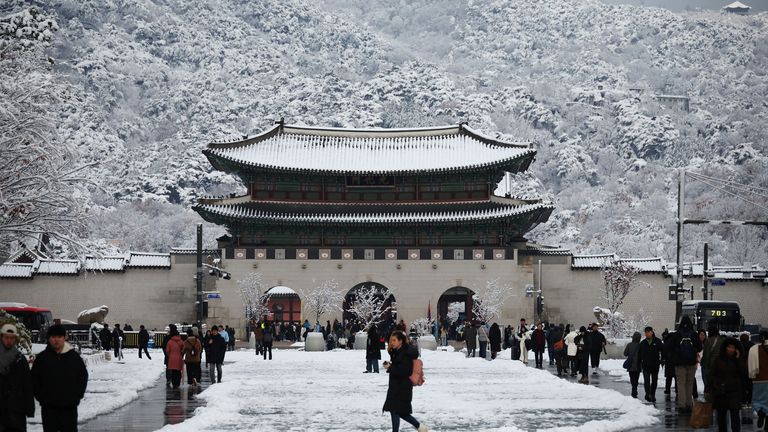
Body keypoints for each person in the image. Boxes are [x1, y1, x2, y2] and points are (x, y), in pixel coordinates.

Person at [31, 324, 88, 432]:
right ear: (49, 338)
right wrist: (41, 397)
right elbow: (34, 379)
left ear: (64, 338)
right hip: (49, 408)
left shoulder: (73, 357)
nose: (56, 340)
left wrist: (77, 395)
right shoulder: (42, 358)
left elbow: (82, 376)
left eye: (59, 336)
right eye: (53, 337)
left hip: (69, 407)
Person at [382, 330, 428, 432]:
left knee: (398, 411)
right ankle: (420, 427)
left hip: (402, 387)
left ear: (400, 341)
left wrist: (390, 367)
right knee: (397, 411)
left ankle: (419, 426)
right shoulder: (397, 352)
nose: (392, 342)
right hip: (397, 386)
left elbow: (404, 371)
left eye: (394, 340)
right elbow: (399, 366)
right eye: (391, 340)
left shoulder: (405, 354)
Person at [0, 324, 35, 432]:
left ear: (15, 339)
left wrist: (29, 408)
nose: (9, 340)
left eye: (11, 338)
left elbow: (27, 385)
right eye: (6, 337)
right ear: (1, 337)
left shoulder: (20, 359)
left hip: (16, 410)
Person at [710, 337, 746, 432]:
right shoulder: (719, 359)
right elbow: (712, 374)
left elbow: (744, 373)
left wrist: (738, 359)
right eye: (729, 347)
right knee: (721, 418)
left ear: (736, 349)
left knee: (735, 417)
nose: (731, 349)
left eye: (733, 347)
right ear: (725, 348)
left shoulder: (738, 360)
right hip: (721, 392)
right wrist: (713, 386)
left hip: (734, 392)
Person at [668, 316, 702, 413]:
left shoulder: (677, 334)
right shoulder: (694, 334)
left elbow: (670, 346)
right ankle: (689, 404)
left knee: (681, 384)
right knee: (689, 383)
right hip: (691, 363)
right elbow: (699, 347)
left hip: (679, 363)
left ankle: (682, 405)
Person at [748, 329, 768, 430]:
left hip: (758, 379)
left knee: (758, 400)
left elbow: (751, 366)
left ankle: (760, 412)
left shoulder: (754, 349)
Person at [637, 326, 663, 402]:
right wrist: (639, 364)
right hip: (645, 365)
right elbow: (639, 354)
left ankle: (653, 394)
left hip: (655, 365)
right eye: (645, 332)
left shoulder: (657, 341)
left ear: (652, 332)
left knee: (654, 381)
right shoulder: (643, 343)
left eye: (648, 332)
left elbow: (663, 350)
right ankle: (648, 394)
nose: (646, 334)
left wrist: (662, 360)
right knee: (647, 381)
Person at [702, 324, 724, 391]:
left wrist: (704, 364)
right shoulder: (722, 340)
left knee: (709, 383)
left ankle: (709, 395)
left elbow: (706, 355)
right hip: (720, 364)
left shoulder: (708, 341)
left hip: (711, 365)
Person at [624, 331, 642, 398]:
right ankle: (635, 389)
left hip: (630, 365)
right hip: (638, 365)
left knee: (632, 378)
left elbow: (625, 353)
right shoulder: (640, 346)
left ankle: (633, 389)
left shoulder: (629, 345)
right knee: (636, 378)